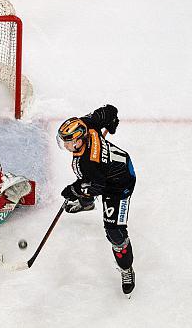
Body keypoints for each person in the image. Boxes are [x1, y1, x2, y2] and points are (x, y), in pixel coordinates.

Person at [56, 104, 136, 295]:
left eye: (67, 142)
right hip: (102, 174)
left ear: (77, 141)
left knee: (114, 232)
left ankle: (126, 269)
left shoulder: (91, 162)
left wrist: (74, 190)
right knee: (85, 185)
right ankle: (87, 204)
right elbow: (109, 109)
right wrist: (112, 119)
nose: (65, 145)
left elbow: (96, 187)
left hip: (119, 184)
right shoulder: (86, 123)